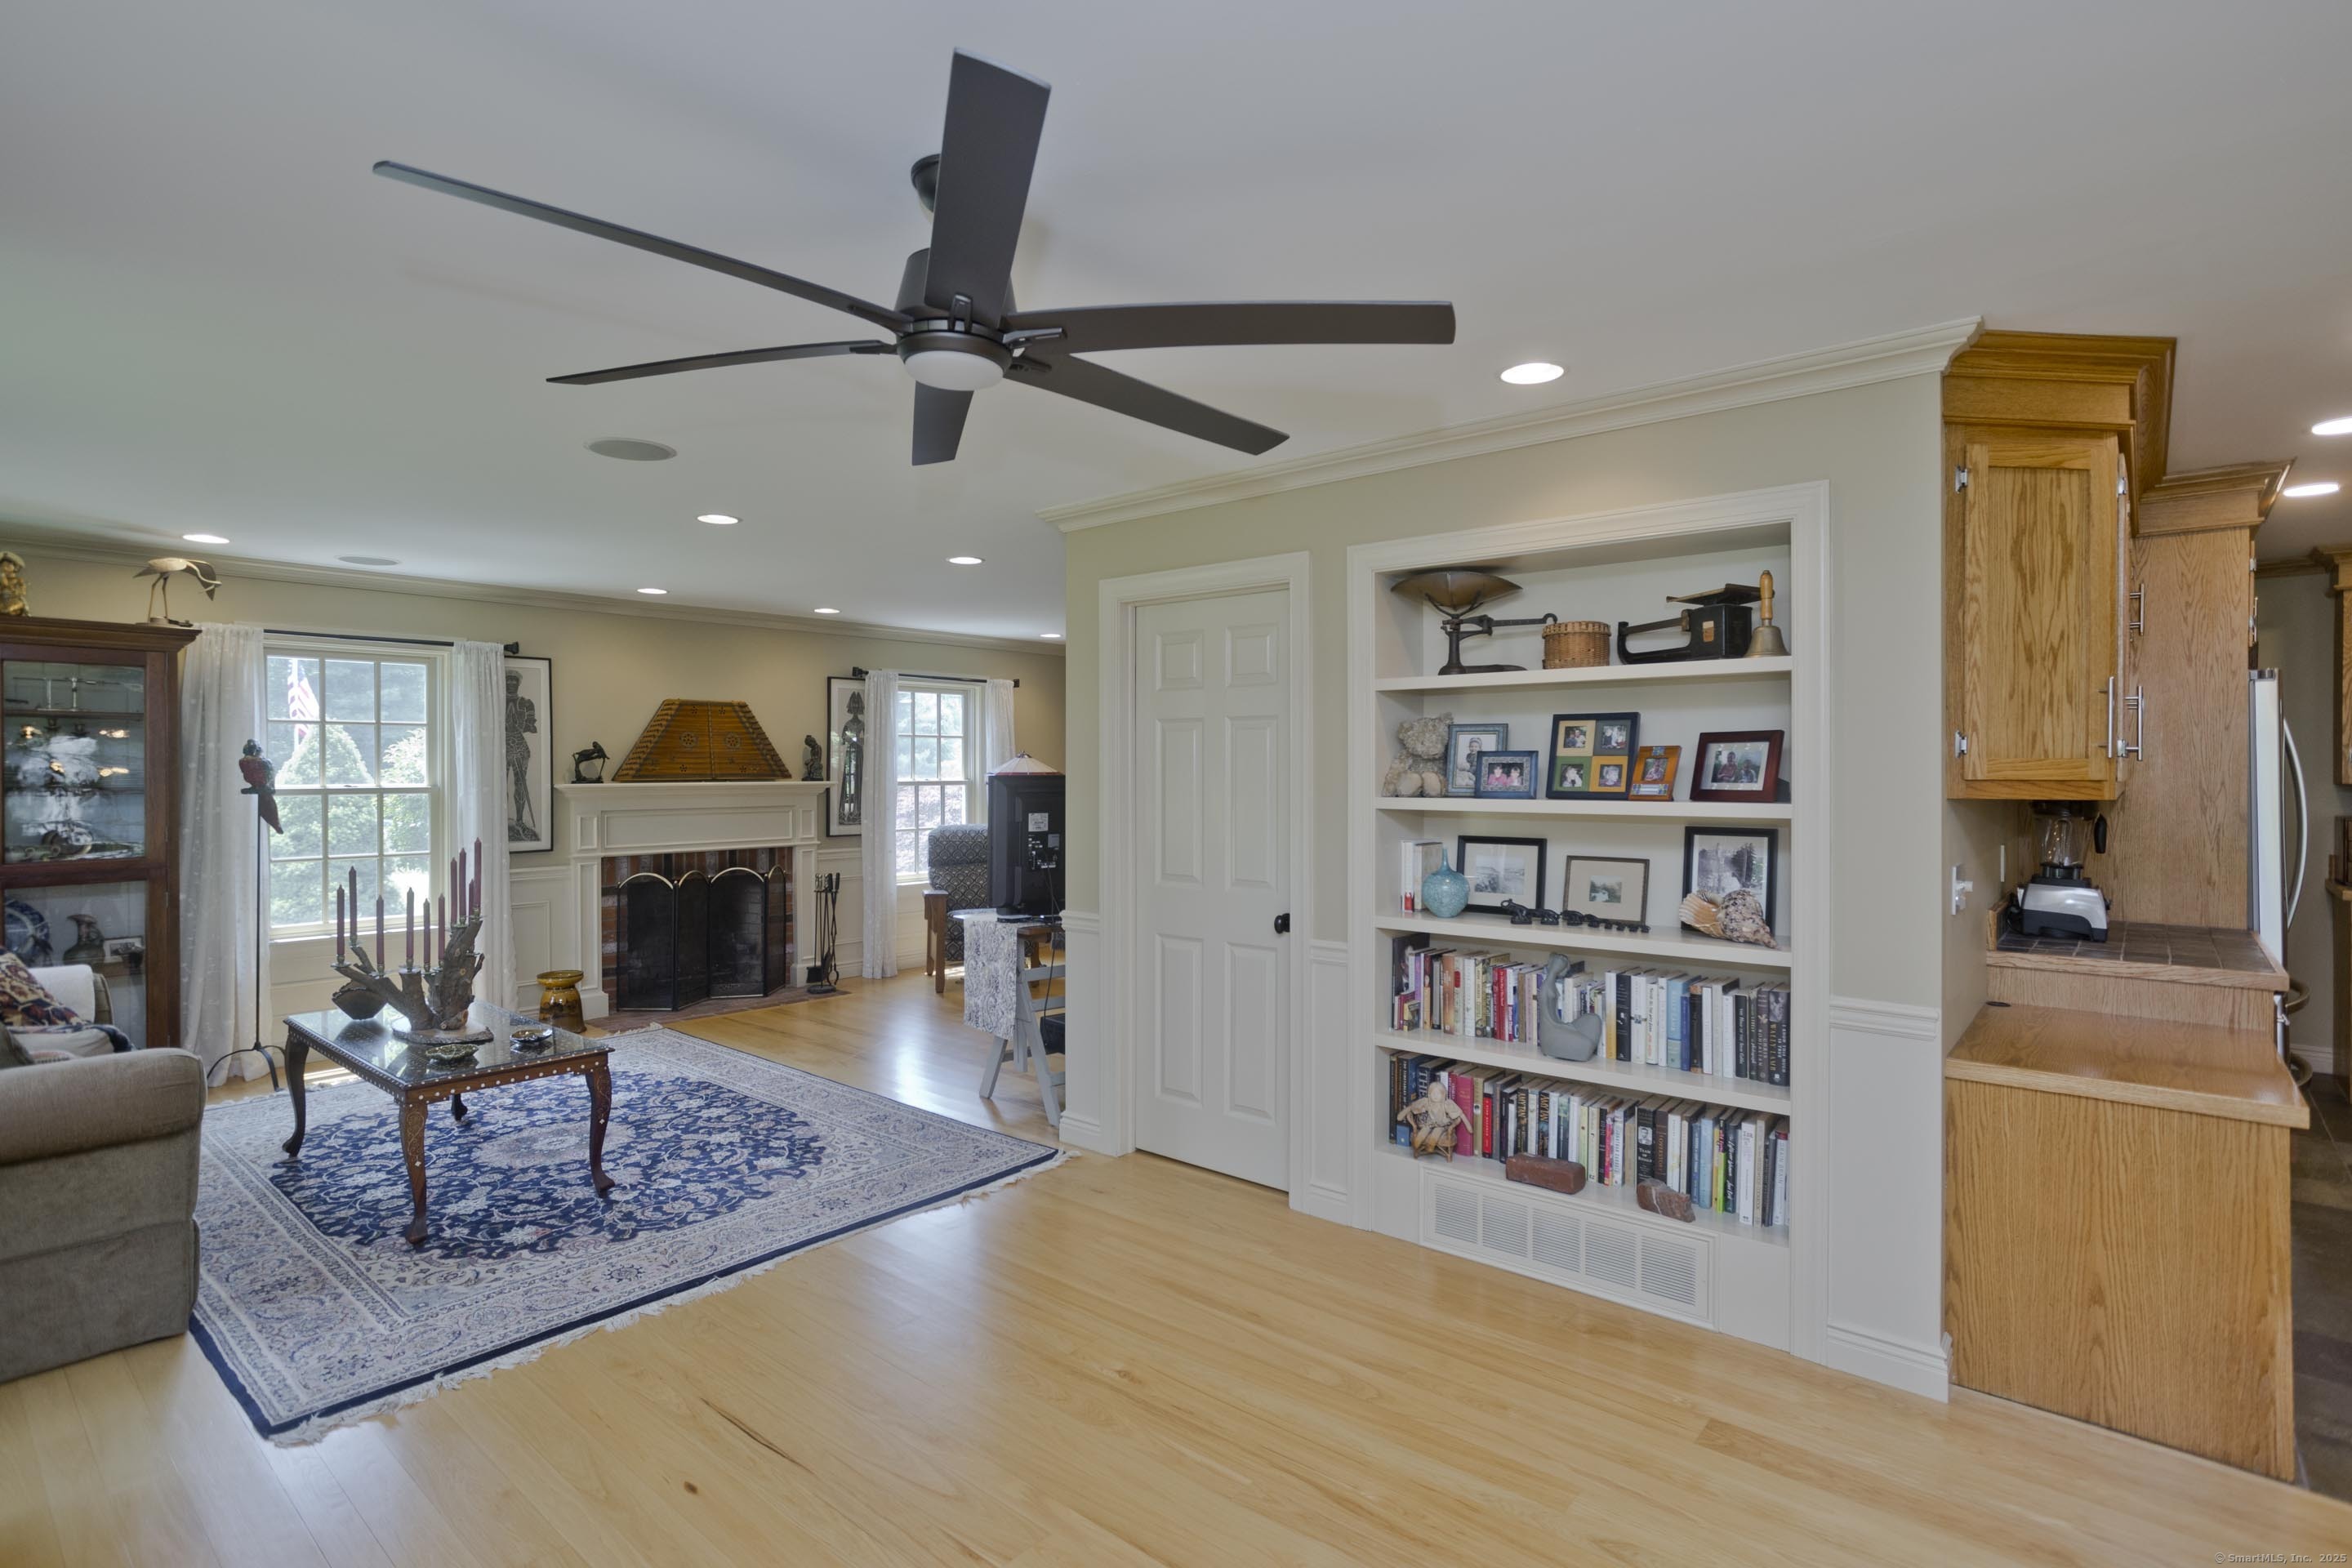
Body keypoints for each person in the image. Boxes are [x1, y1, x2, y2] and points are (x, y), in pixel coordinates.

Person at [506, 670, 538, 841]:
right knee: (500, 785)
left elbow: (531, 726)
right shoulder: (496, 703)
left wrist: (521, 725)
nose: (511, 683)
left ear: (518, 683)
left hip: (519, 745)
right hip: (502, 746)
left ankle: (519, 821)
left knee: (520, 784)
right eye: (508, 680)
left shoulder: (526, 703)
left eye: (514, 680)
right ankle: (502, 820)